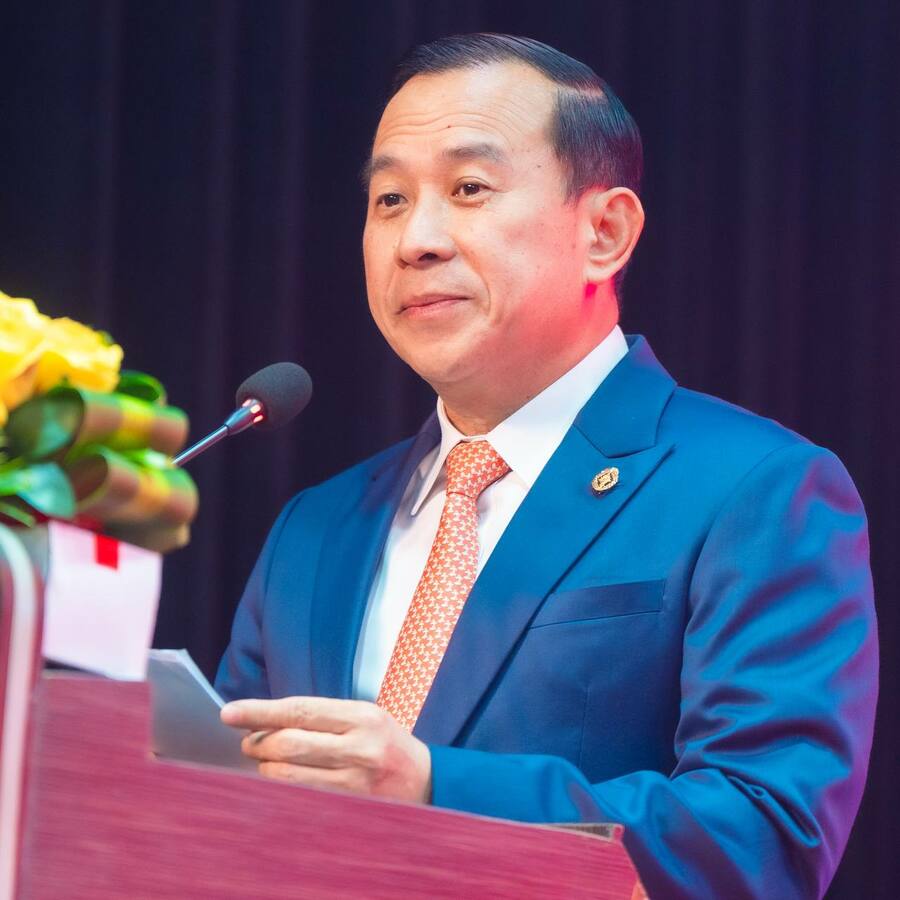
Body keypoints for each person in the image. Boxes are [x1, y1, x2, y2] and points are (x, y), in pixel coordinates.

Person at [215, 34, 878, 899]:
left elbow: (761, 837)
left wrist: (434, 789)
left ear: (605, 232)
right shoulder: (315, 528)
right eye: (389, 199)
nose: (416, 240)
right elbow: (219, 815)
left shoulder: (757, 489)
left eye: (468, 189)